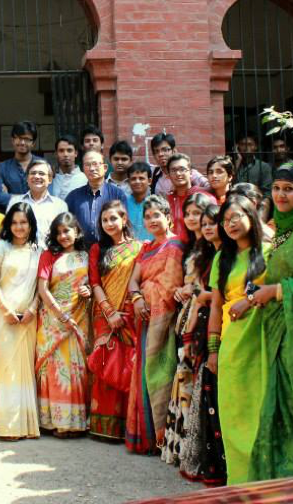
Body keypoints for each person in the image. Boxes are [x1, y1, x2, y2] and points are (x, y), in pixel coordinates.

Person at [241, 161, 293, 482]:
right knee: (279, 411)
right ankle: (285, 483)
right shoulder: (286, 229)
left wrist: (275, 291)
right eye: (276, 188)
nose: (280, 195)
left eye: (289, 189)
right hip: (280, 335)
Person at [207, 194, 267, 485]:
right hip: (232, 341)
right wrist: (213, 349)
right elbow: (215, 306)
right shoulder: (222, 257)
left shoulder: (270, 250)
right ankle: (240, 482)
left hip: (264, 339)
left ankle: (265, 478)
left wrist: (251, 299)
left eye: (236, 217)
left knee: (261, 409)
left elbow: (283, 288)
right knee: (235, 413)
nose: (230, 224)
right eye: (225, 220)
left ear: (251, 216)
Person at [126, 195, 184, 454]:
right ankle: (147, 438)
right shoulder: (146, 248)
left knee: (163, 372)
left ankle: (162, 440)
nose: (151, 220)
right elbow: (133, 281)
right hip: (145, 317)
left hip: (165, 320)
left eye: (156, 215)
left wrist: (145, 290)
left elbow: (170, 286)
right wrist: (137, 298)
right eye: (147, 216)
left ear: (168, 217)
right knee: (143, 372)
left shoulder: (175, 245)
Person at [162, 193, 217, 465]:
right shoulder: (190, 246)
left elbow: (209, 286)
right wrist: (181, 290)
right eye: (190, 214)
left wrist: (192, 290)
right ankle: (182, 446)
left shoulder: (212, 248)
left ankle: (194, 448)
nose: (194, 219)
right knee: (184, 376)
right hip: (186, 314)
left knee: (194, 377)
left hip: (204, 315)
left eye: (200, 214)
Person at [177, 204, 227, 486]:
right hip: (204, 327)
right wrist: (190, 331)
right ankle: (212, 463)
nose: (207, 227)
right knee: (205, 391)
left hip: (221, 326)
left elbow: (215, 295)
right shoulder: (207, 254)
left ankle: (223, 464)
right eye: (204, 223)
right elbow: (200, 298)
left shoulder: (229, 254)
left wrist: (204, 296)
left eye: (213, 223)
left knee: (214, 391)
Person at [88, 200, 143, 441]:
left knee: (128, 365)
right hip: (104, 314)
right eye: (104, 220)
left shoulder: (139, 248)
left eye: (113, 218)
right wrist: (110, 312)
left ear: (124, 219)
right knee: (105, 362)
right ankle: (103, 428)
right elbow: (95, 283)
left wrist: (125, 311)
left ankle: (127, 427)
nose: (109, 223)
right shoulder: (97, 249)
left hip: (129, 314)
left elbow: (139, 281)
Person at [0, 203, 43, 440]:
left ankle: (26, 425)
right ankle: (8, 426)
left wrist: (32, 308)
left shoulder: (38, 250)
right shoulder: (1, 247)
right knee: (6, 368)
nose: (19, 227)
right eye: (15, 222)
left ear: (31, 225)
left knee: (24, 369)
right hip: (4, 316)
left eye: (24, 222)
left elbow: (42, 285)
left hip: (29, 317)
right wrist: (6, 309)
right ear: (8, 225)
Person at [35, 213, 91, 436]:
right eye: (58, 233)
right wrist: (61, 315)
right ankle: (55, 421)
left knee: (76, 368)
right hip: (53, 320)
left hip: (79, 318)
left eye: (67, 231)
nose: (63, 236)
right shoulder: (49, 255)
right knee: (56, 368)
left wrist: (88, 291)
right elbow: (42, 289)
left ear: (76, 231)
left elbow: (92, 283)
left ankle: (75, 422)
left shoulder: (86, 256)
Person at [66, 150, 128, 246]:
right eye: (87, 165)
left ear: (105, 168)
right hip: (81, 250)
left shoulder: (117, 194)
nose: (92, 168)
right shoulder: (73, 197)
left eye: (95, 164)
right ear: (83, 169)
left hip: (111, 249)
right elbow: (67, 225)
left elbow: (124, 224)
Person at [7, 159, 68, 247]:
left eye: (41, 173)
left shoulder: (60, 205)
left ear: (50, 179)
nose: (36, 176)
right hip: (20, 252)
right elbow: (7, 231)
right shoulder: (15, 202)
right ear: (27, 178)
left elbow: (64, 235)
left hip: (50, 253)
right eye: (33, 173)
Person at [0, 121, 44, 209]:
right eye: (19, 138)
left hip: (39, 215)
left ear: (33, 143)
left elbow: (45, 196)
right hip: (11, 216)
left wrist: (10, 196)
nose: (22, 142)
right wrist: (32, 198)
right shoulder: (1, 168)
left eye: (27, 139)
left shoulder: (42, 165)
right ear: (13, 140)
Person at [165, 154, 212, 244]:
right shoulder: (167, 200)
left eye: (182, 169)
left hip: (200, 247)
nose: (178, 173)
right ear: (168, 175)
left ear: (190, 173)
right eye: (173, 170)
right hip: (173, 248)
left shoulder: (203, 197)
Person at [50, 134, 88, 200]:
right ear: (56, 154)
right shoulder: (51, 179)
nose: (65, 154)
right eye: (61, 151)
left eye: (69, 150)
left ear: (76, 153)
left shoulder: (86, 179)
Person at [124, 161, 154, 242]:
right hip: (129, 247)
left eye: (141, 178)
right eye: (133, 179)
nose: (137, 181)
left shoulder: (156, 204)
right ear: (128, 182)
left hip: (153, 248)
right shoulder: (123, 204)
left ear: (149, 181)